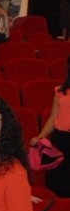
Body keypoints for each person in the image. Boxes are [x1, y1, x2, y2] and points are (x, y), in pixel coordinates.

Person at [32, 55, 70, 197]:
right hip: (60, 139)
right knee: (56, 183)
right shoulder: (60, 91)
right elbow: (53, 117)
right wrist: (40, 136)